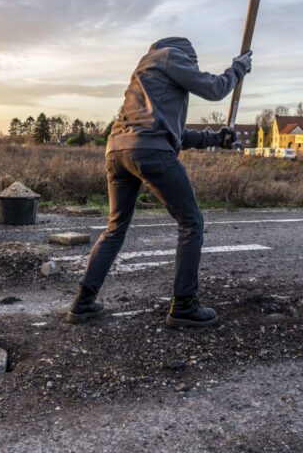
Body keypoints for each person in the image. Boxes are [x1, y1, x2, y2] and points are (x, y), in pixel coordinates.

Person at [66, 37, 252, 328]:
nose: (193, 70)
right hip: (148, 150)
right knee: (191, 222)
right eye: (193, 66)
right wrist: (238, 69)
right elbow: (215, 88)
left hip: (117, 150)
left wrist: (217, 138)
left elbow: (174, 135)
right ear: (187, 58)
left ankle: (83, 303)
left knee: (115, 228)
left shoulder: (148, 77)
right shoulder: (170, 57)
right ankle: (185, 306)